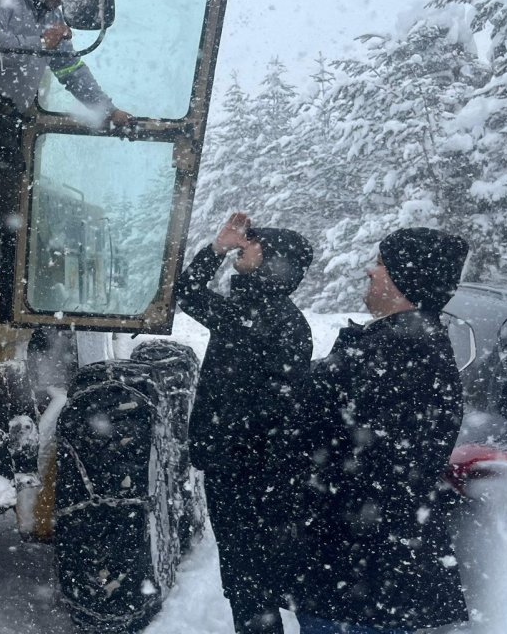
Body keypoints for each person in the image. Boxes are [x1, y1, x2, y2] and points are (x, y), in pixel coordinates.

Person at [294, 227, 471, 634]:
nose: (370, 272)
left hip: (359, 576)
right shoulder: (403, 345)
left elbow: (348, 453)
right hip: (365, 572)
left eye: (381, 264)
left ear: (406, 279)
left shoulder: (395, 355)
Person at [174, 213, 314, 634]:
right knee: (250, 580)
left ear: (273, 262)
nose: (242, 248)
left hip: (250, 475)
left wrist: (229, 454)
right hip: (247, 471)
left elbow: (186, 293)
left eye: (252, 244)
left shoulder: (264, 318)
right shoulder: (258, 311)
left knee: (250, 582)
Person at [0, 0, 131, 318]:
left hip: (8, 119)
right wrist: (40, 42)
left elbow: (71, 68)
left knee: (13, 211)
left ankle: (3, 307)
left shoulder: (50, 15)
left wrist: (107, 109)